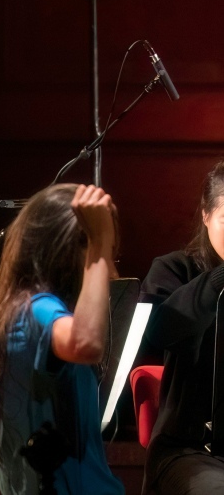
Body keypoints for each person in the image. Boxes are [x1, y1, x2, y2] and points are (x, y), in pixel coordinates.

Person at [0, 183, 124, 495]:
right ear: (68, 251)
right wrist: (98, 243)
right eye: (101, 249)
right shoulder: (36, 311)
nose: (110, 266)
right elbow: (86, 344)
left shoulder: (32, 309)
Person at [140, 160, 224, 494]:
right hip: (190, 449)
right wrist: (220, 278)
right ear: (206, 215)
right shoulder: (175, 269)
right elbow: (161, 332)